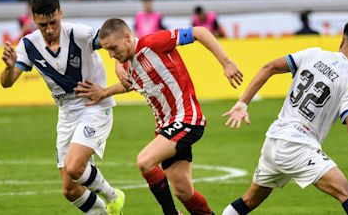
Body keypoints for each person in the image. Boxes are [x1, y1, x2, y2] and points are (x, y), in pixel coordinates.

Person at [75, 18, 243, 215]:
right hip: (166, 127)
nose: (111, 55)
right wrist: (105, 92)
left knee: (145, 161)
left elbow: (199, 32)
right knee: (183, 191)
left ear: (128, 37)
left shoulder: (154, 43)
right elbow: (131, 84)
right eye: (107, 50)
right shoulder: (129, 65)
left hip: (186, 118)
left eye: (113, 48)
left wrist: (226, 62)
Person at [221, 22, 348, 214]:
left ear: (342, 39)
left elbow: (269, 67)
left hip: (274, 139)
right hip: (299, 145)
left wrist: (242, 103)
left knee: (249, 200)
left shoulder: (314, 54)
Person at [0, 0, 124, 215]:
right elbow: (7, 83)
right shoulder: (28, 45)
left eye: (53, 22)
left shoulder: (80, 34)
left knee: (75, 166)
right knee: (70, 189)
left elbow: (113, 44)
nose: (49, 29)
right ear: (33, 20)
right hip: (66, 113)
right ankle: (103, 213)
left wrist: (114, 76)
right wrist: (9, 67)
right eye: (42, 25)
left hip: (93, 105)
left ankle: (113, 196)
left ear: (61, 14)